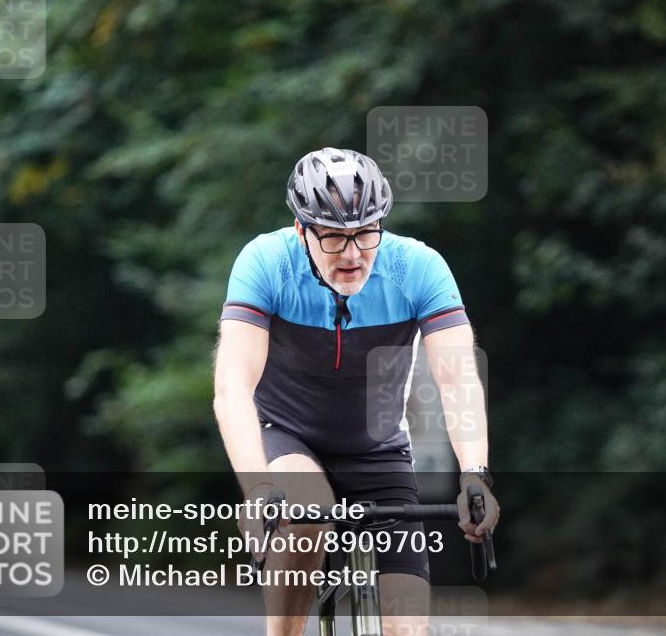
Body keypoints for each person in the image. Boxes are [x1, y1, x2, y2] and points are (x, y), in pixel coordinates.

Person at [213, 147, 499, 636]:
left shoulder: (419, 267)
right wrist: (259, 489)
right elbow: (232, 388)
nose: (351, 254)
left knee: (407, 628)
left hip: (378, 449)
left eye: (366, 233)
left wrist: (475, 474)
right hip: (286, 436)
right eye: (333, 238)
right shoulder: (265, 262)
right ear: (302, 230)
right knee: (305, 511)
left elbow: (458, 379)